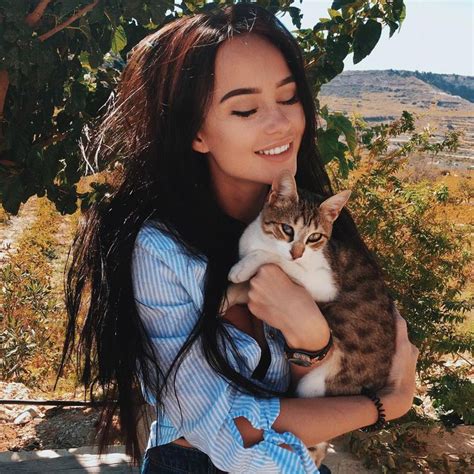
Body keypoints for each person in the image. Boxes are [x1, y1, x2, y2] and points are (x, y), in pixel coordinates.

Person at [59, 4, 419, 474]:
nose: (280, 124)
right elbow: (230, 432)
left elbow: (315, 391)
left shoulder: (314, 227)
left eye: (289, 99)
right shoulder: (160, 250)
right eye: (246, 108)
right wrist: (388, 403)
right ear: (195, 132)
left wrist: (309, 338)